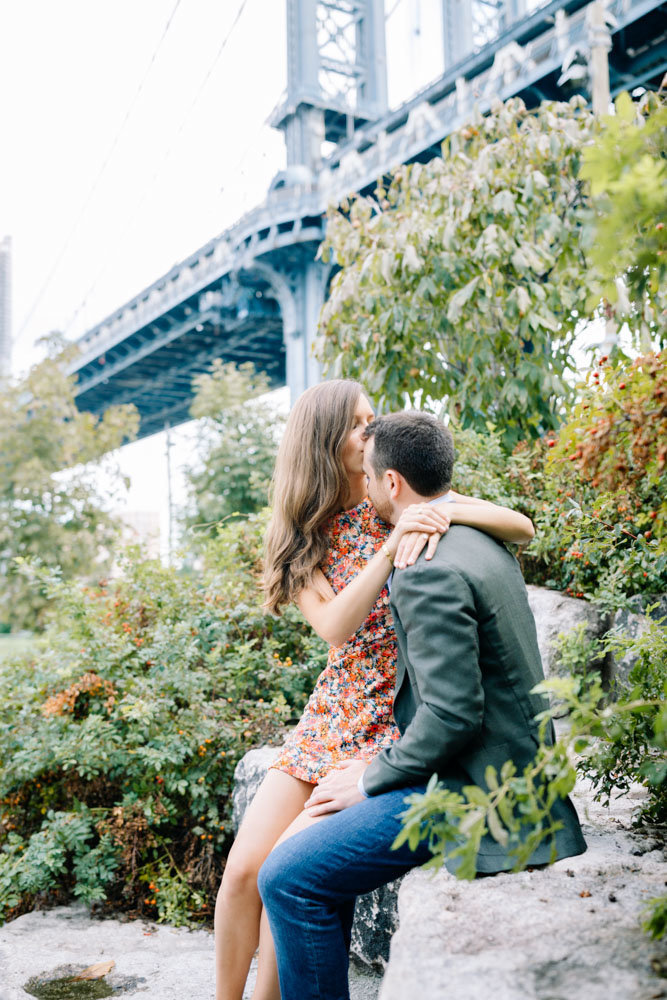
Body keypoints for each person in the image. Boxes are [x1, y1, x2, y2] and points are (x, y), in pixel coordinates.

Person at [215, 382, 536, 1000]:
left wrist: (442, 512)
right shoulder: (304, 534)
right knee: (241, 872)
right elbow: (335, 627)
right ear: (325, 441)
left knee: (288, 863)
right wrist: (391, 550)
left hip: (394, 710)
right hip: (336, 709)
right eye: (361, 424)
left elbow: (519, 525)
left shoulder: (392, 493)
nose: (374, 428)